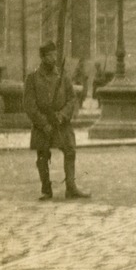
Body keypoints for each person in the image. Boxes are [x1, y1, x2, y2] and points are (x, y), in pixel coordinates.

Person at [24, 42, 90, 200]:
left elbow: (72, 98)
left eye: (55, 55)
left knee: (70, 150)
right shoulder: (33, 78)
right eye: (50, 56)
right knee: (42, 155)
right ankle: (46, 189)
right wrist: (44, 124)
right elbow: (29, 105)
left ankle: (71, 187)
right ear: (43, 57)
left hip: (61, 123)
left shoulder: (62, 76)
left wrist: (61, 116)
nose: (53, 59)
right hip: (42, 124)